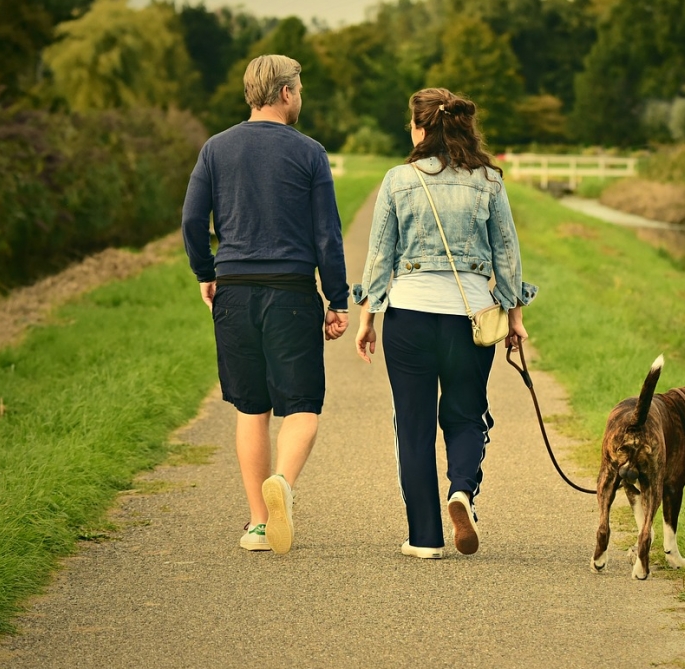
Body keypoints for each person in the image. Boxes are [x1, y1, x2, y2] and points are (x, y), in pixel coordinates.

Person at [352, 88, 538, 558]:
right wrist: (514, 317)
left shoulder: (398, 180)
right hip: (470, 318)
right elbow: (508, 256)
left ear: (420, 128)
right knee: (465, 415)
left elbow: (380, 256)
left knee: (412, 425)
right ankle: (461, 490)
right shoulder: (489, 182)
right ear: (460, 126)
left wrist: (367, 318)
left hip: (409, 315)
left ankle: (424, 538)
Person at [181, 54, 349, 555]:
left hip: (233, 290)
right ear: (283, 94)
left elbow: (193, 221)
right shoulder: (310, 153)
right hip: (291, 293)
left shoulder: (215, 149)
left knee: (251, 408)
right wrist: (336, 300)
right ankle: (283, 482)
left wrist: (205, 273)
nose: (301, 97)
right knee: (301, 407)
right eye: (299, 89)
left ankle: (258, 522)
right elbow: (327, 235)